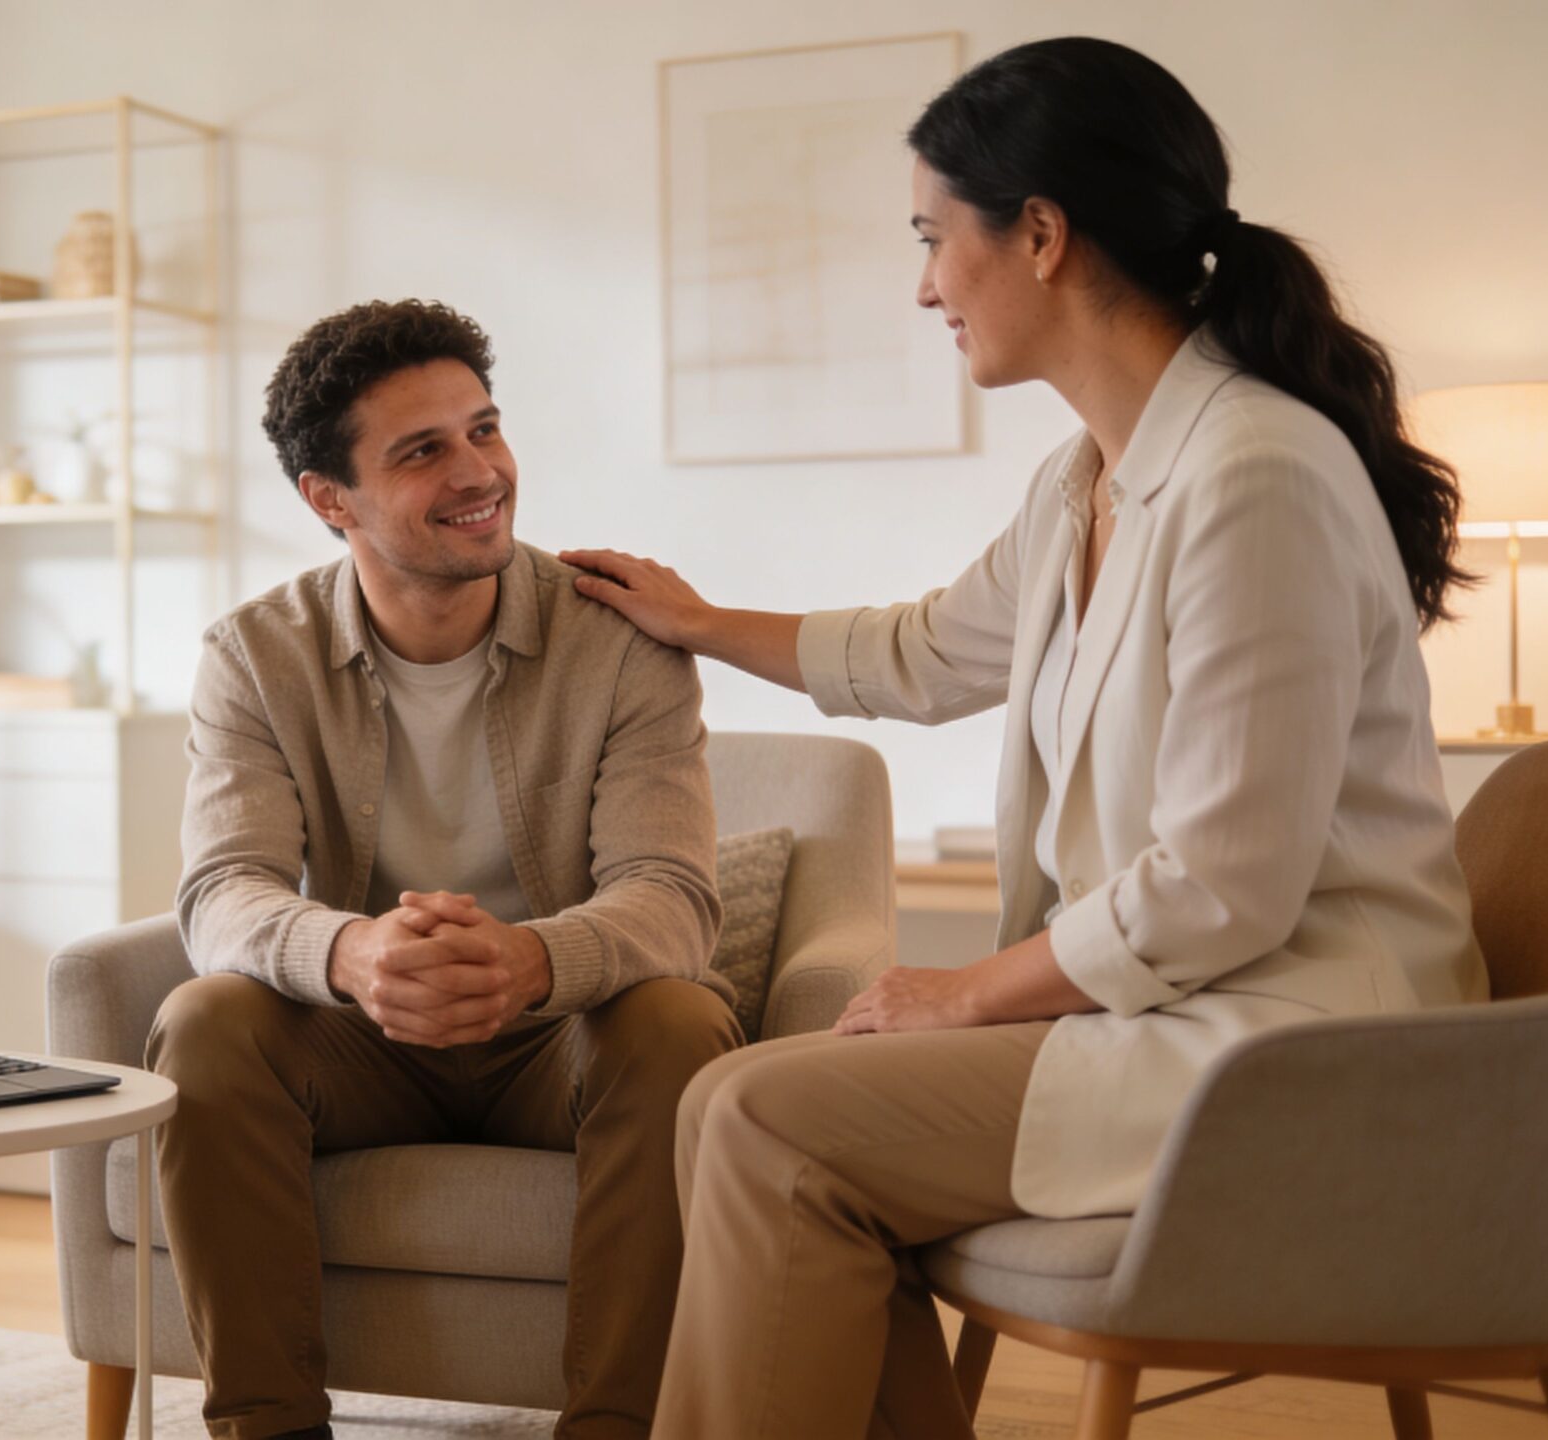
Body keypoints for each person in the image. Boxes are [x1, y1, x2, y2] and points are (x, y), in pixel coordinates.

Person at [564, 37, 1487, 1438]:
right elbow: (930, 651)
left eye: (933, 239)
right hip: (1182, 1015)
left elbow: (1224, 884)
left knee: (760, 1118)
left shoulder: (1257, 478)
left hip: (1297, 1045)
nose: (925, 285)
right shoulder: (1088, 480)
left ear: (1041, 235)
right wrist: (697, 621)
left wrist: (969, 992)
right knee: (739, 1105)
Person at [153, 298, 744, 1440]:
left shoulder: (621, 637)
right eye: (422, 450)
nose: (479, 472)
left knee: (677, 1021)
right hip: (362, 1035)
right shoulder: (254, 654)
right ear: (330, 499)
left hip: (561, 1036)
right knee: (204, 1022)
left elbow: (670, 896)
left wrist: (528, 962)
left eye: (484, 429)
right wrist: (353, 953)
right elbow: (222, 891)